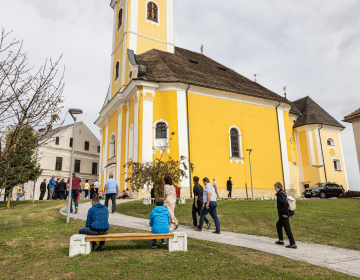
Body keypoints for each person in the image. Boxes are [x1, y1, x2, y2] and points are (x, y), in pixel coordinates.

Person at [274, 182, 297, 249]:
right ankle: (281, 240)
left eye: (275, 187)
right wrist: (291, 213)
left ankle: (293, 244)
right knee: (278, 225)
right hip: (282, 215)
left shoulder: (281, 194)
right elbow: (289, 202)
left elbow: (286, 203)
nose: (274, 188)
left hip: (284, 215)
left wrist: (285, 214)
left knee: (287, 229)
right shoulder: (283, 193)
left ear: (277, 187)